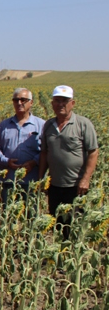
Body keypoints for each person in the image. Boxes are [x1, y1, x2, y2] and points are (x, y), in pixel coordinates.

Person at [39, 85, 98, 228]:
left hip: (76, 186)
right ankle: (60, 250)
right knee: (57, 223)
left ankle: (71, 250)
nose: (61, 104)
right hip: (54, 185)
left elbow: (93, 152)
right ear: (52, 104)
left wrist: (85, 179)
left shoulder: (83, 124)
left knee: (75, 224)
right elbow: (44, 153)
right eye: (57, 100)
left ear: (72, 103)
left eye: (64, 101)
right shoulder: (48, 125)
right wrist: (41, 178)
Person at [0, 88, 45, 203]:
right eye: (16, 100)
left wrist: (33, 162)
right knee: (8, 214)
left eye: (23, 100)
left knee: (30, 215)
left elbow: (46, 150)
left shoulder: (41, 125)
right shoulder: (4, 125)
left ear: (31, 102)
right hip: (8, 179)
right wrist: (6, 161)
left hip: (31, 180)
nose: (19, 103)